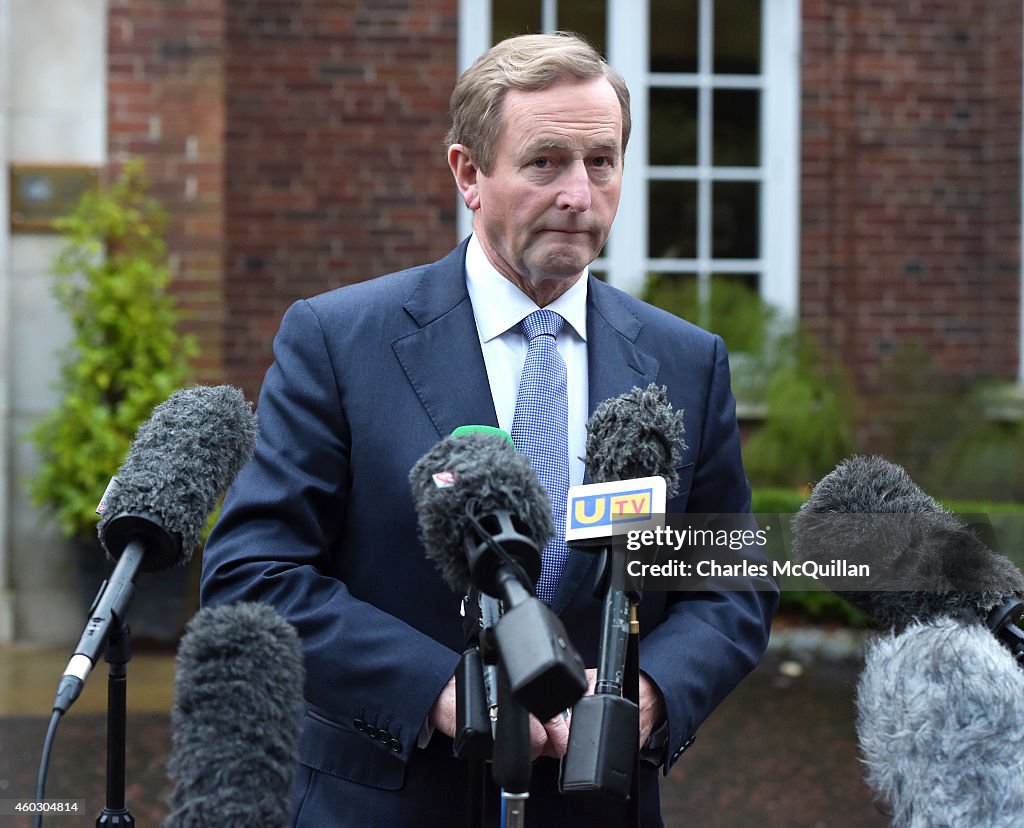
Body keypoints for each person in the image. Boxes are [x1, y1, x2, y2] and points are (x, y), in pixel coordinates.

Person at [201, 32, 778, 827]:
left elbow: (730, 582)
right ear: (469, 174)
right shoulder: (340, 342)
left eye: (601, 162)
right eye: (546, 162)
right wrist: (437, 687)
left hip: (596, 804)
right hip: (386, 800)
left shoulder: (686, 362)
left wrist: (644, 695)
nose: (580, 193)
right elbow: (253, 572)